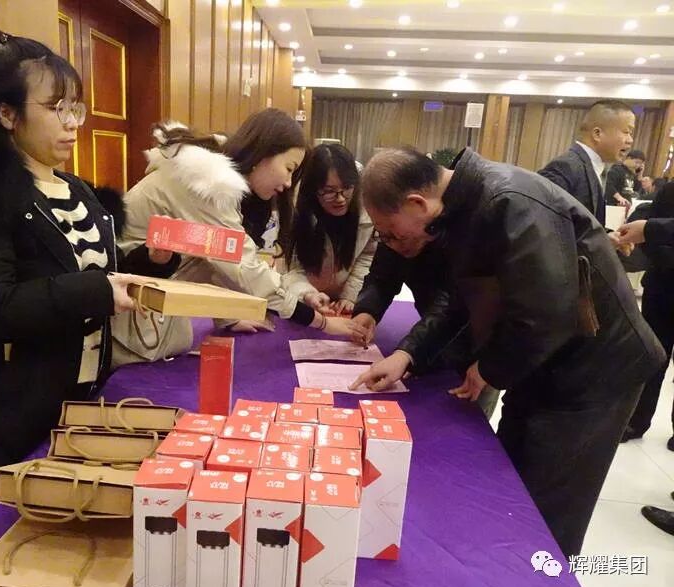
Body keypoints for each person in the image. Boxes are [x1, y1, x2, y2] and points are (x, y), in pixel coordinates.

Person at [353, 146, 665, 558]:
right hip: (542, 366)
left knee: (546, 515)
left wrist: (490, 368)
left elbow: (548, 312)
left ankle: (541, 579)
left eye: (391, 232)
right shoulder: (464, 210)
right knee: (509, 492)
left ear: (417, 203)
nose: (392, 244)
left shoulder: (509, 202)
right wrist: (407, 354)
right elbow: (460, 299)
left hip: (592, 377)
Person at [0, 29, 153, 553]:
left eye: (76, 107)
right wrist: (94, 291)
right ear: (7, 114)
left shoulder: (77, 189)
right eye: (55, 108)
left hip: (66, 409)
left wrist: (152, 262)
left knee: (55, 552)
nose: (72, 122)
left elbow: (79, 271)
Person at [117, 110, 362, 363]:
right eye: (289, 168)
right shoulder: (207, 185)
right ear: (263, 153)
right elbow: (247, 271)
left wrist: (230, 317)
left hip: (145, 315)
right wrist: (322, 323)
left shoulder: (214, 178)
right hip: (130, 320)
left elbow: (217, 259)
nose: (289, 183)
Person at [348, 241, 500, 419]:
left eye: (395, 234)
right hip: (434, 335)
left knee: (469, 418)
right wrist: (368, 309)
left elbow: (452, 305)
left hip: (483, 346)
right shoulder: (398, 235)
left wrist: (490, 362)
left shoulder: (469, 240)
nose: (391, 240)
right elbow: (382, 276)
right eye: (383, 234)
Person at [283, 143, 376, 316]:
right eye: (329, 191)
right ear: (313, 190)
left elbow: (367, 256)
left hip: (341, 304)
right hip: (302, 300)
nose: (340, 199)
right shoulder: (294, 213)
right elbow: (290, 270)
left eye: (346, 188)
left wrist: (350, 296)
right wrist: (308, 294)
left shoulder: (366, 211)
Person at [613, 190, 674, 451]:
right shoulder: (669, 191)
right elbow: (649, 235)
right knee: (651, 356)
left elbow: (651, 228)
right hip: (661, 284)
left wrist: (651, 230)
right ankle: (636, 420)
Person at [539, 100, 636, 225]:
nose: (630, 140)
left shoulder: (598, 169)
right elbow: (544, 224)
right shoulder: (565, 167)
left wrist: (608, 235)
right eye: (626, 132)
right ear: (597, 134)